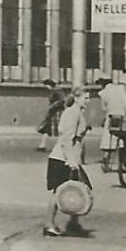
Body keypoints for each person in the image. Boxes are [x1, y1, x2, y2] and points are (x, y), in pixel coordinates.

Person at [44, 85, 90, 237]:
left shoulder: (75, 111)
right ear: (77, 98)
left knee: (78, 188)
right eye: (86, 98)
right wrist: (71, 160)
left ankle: (73, 223)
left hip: (68, 157)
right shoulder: (73, 112)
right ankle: (49, 224)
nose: (88, 101)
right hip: (62, 158)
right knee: (59, 192)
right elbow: (66, 138)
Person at [37, 79, 66, 152]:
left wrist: (53, 105)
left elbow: (62, 101)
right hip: (52, 113)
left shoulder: (58, 91)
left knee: (60, 129)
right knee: (47, 129)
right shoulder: (54, 91)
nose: (46, 88)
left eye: (46, 86)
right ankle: (42, 145)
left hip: (57, 112)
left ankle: (63, 145)